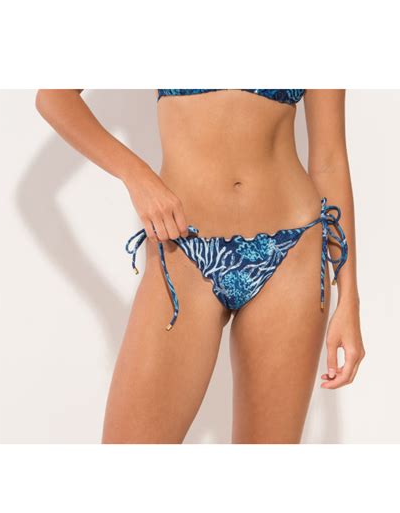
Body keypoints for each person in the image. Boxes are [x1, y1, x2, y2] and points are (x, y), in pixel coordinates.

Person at [36, 88, 365, 444]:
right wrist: (136, 175)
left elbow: (329, 159)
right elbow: (54, 97)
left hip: (292, 251)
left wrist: (349, 299)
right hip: (184, 247)